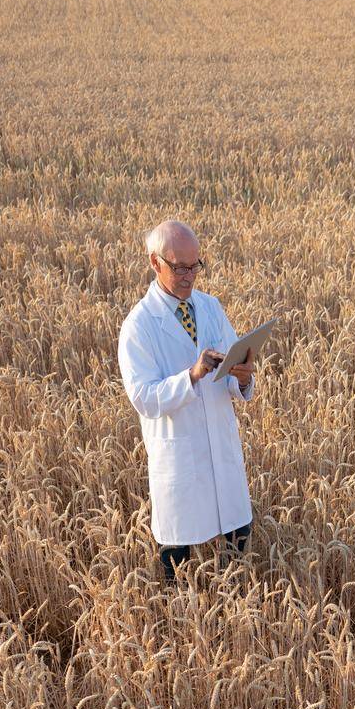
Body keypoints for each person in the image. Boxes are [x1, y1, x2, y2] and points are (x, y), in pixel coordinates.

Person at [117, 220, 258, 587]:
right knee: (177, 567)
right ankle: (176, 628)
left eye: (195, 265)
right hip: (178, 458)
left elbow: (230, 369)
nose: (189, 275)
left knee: (236, 545)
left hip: (221, 451)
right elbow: (144, 398)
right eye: (180, 266)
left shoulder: (210, 308)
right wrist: (191, 376)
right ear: (154, 261)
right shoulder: (139, 325)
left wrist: (242, 378)